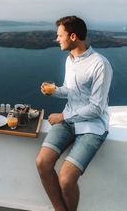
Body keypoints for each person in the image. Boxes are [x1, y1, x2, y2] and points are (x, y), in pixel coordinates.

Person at [36, 16, 113, 211]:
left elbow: (96, 108)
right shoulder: (70, 60)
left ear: (72, 36)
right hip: (69, 121)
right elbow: (71, 90)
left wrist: (62, 117)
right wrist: (54, 90)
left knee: (66, 179)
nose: (57, 39)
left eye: (59, 35)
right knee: (42, 163)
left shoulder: (100, 64)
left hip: (93, 126)